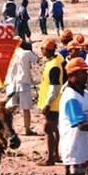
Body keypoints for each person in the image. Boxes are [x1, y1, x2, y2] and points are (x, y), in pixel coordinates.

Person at [37, 38, 64, 166]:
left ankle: (50, 158)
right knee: (54, 129)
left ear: (46, 51)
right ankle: (56, 155)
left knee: (48, 129)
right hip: (56, 102)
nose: (41, 51)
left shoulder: (54, 66)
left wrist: (47, 104)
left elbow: (55, 87)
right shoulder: (57, 60)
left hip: (53, 104)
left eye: (42, 49)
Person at [5, 41, 40, 135]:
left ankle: (10, 129)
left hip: (11, 83)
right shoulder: (26, 53)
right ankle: (27, 129)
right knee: (26, 108)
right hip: (23, 82)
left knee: (9, 110)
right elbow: (37, 59)